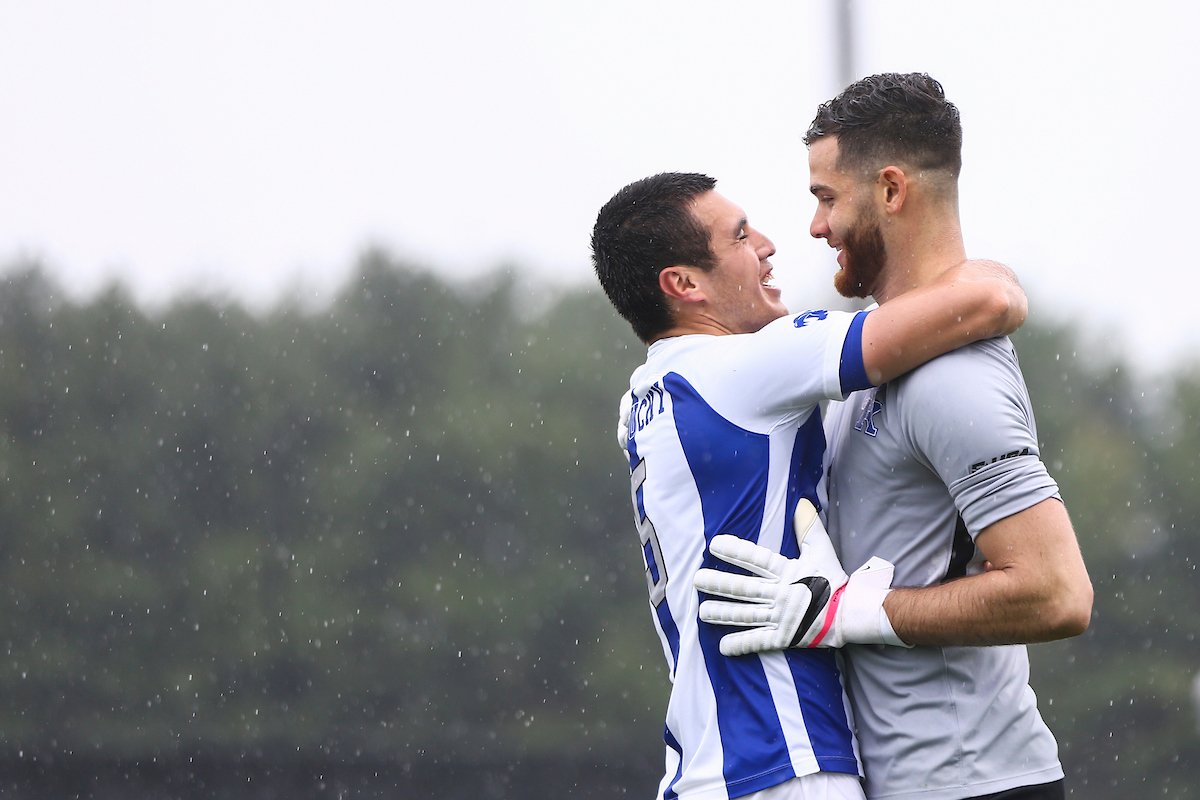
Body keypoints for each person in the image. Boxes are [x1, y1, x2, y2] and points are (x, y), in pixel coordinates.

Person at [694, 74, 1093, 800]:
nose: (815, 226)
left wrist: (847, 613)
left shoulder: (955, 377)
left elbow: (1056, 593)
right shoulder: (873, 356)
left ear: (891, 190)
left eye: (825, 198)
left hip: (978, 786)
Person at [591, 171, 1027, 800]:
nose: (769, 244)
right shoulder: (748, 368)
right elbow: (991, 304)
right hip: (784, 762)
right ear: (683, 285)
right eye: (740, 237)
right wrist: (994, 272)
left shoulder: (643, 397)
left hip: (702, 770)